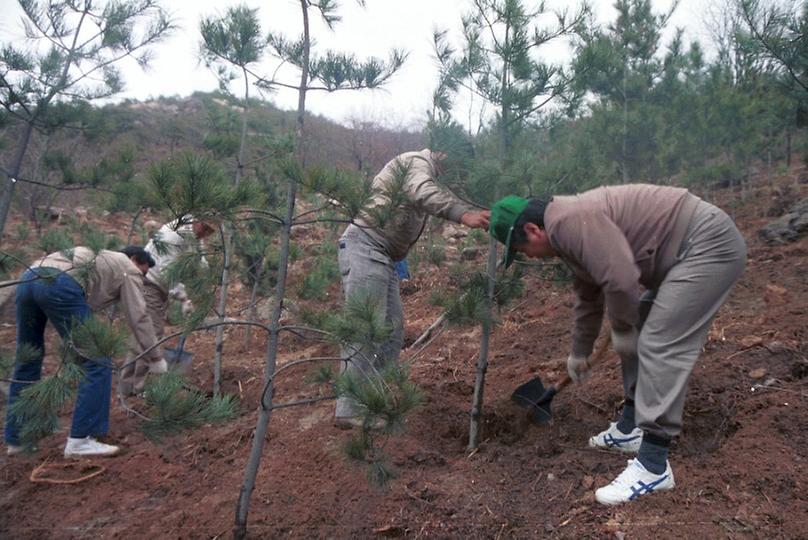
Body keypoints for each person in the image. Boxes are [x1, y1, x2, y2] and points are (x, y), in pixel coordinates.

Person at [489, 184, 746, 505]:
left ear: (532, 230)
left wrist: (623, 329)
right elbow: (588, 296)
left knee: (659, 340)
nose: (527, 257)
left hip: (707, 245)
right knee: (638, 326)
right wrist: (579, 352)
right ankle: (631, 427)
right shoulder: (566, 227)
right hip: (681, 252)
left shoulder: (569, 221)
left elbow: (621, 278)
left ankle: (653, 466)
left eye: (521, 249)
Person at [336, 149, 490, 428]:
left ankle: (373, 401)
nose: (457, 171)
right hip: (366, 246)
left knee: (392, 332)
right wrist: (462, 214)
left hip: (383, 256)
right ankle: (350, 408)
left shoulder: (428, 171)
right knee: (366, 326)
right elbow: (422, 191)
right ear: (442, 150)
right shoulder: (417, 164)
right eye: (456, 163)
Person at [4, 246, 167, 458]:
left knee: (28, 356)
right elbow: (139, 316)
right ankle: (82, 440)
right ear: (135, 259)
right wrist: (155, 357)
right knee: (99, 360)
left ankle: (18, 439)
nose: (142, 279)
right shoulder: (128, 267)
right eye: (143, 273)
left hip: (28, 279)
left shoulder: (96, 254)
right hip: (59, 284)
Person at [119, 215, 214, 396]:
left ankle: (130, 386)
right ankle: (134, 388)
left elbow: (198, 254)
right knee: (150, 334)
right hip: (150, 285)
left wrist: (205, 271)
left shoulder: (191, 232)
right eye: (206, 229)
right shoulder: (174, 237)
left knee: (147, 334)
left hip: (157, 287)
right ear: (198, 221)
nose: (206, 235)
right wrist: (184, 298)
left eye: (211, 232)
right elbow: (167, 272)